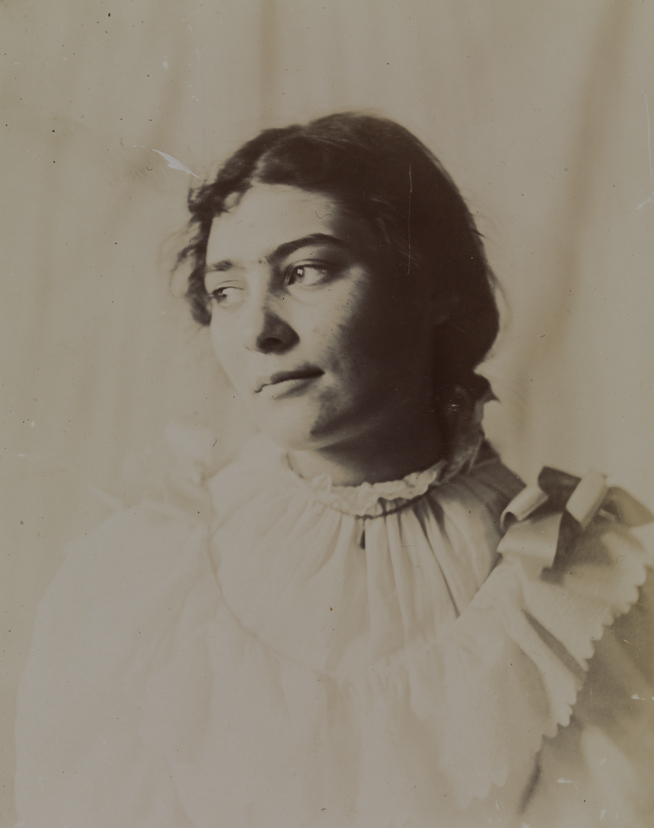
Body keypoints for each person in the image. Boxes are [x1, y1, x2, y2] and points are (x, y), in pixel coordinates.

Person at [15, 113, 654, 827]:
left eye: (306, 272)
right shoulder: (140, 576)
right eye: (226, 291)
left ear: (433, 285)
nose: (260, 330)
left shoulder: (578, 586)